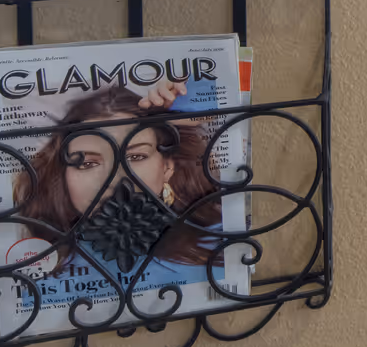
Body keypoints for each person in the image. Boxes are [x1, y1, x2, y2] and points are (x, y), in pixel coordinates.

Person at [11, 77, 224, 269]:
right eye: (87, 163)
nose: (114, 179)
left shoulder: (220, 239)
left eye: (136, 157)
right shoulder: (36, 265)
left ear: (168, 167)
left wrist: (197, 94)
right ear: (62, 175)